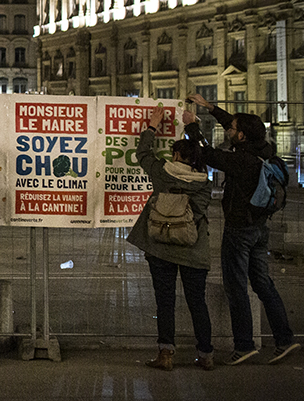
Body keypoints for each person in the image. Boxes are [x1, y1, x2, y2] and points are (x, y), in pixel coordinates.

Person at [186, 93, 299, 365]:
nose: (229, 129)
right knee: (263, 283)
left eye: (233, 129)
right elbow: (236, 126)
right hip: (260, 228)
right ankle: (284, 340)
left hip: (239, 230)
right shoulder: (263, 149)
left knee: (235, 286)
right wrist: (210, 108)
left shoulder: (241, 161)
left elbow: (208, 154)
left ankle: (244, 345)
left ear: (241, 137)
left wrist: (192, 127)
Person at [125, 106, 214, 370]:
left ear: (175, 155)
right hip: (193, 249)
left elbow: (142, 154)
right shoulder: (205, 183)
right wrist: (192, 126)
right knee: (197, 302)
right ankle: (206, 354)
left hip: (160, 245)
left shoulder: (162, 172)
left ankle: (165, 356)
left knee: (164, 300)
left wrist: (152, 126)